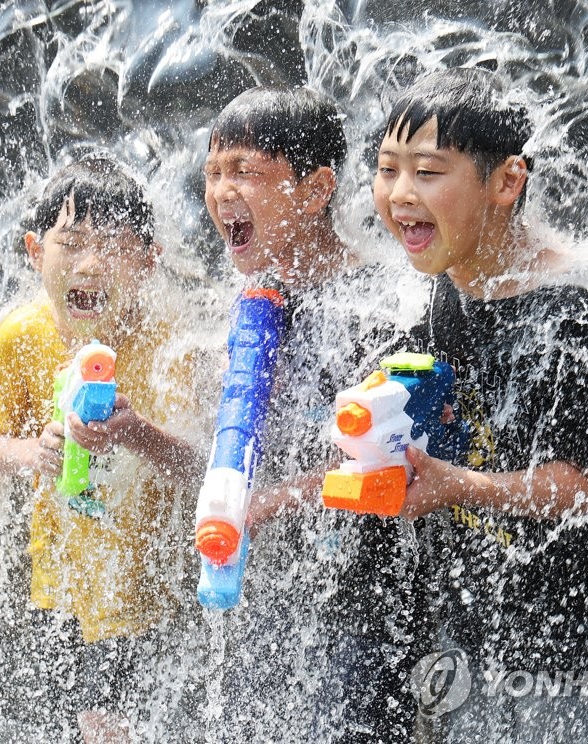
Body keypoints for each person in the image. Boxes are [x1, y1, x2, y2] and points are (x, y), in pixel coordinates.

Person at [372, 67, 588, 740]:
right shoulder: (449, 282)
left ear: (506, 181)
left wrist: (455, 486)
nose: (400, 195)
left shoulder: (582, 306)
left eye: (429, 172)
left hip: (582, 642)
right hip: (478, 622)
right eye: (388, 170)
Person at [202, 85, 423, 742]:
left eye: (244, 171)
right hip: (265, 596)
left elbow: (393, 462)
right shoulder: (243, 306)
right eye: (213, 173)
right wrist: (136, 431)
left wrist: (271, 502)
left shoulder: (381, 308)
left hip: (363, 605)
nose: (221, 192)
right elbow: (221, 467)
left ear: (318, 187)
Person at [0, 156, 203, 743]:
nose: (90, 265)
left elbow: (206, 468)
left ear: (149, 263)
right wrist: (33, 454)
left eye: (114, 247)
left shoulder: (169, 340)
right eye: (70, 243)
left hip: (153, 593)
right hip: (62, 589)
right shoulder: (21, 335)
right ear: (33, 250)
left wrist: (138, 433)